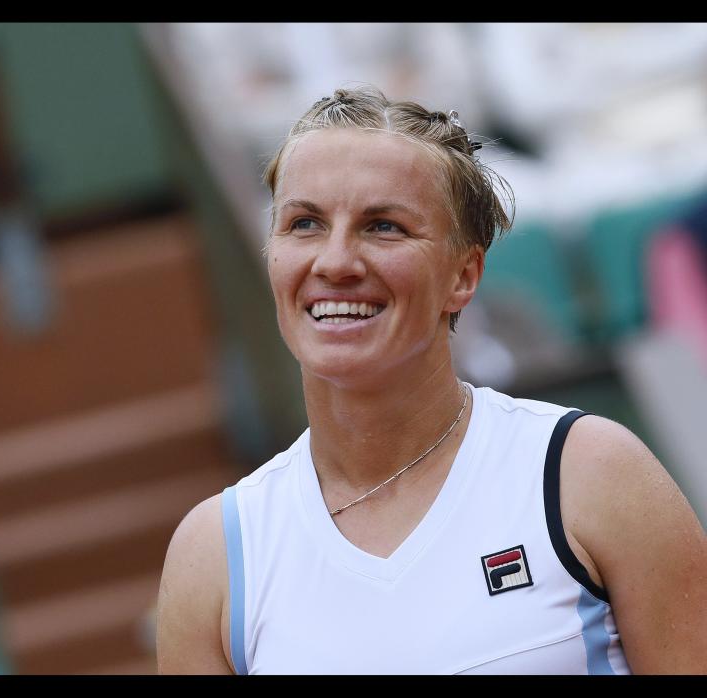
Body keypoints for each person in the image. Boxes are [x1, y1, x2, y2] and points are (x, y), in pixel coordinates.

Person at [155, 86, 707, 674]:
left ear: (464, 274)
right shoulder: (212, 556)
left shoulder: (594, 473)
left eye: (384, 226)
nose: (335, 262)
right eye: (305, 223)